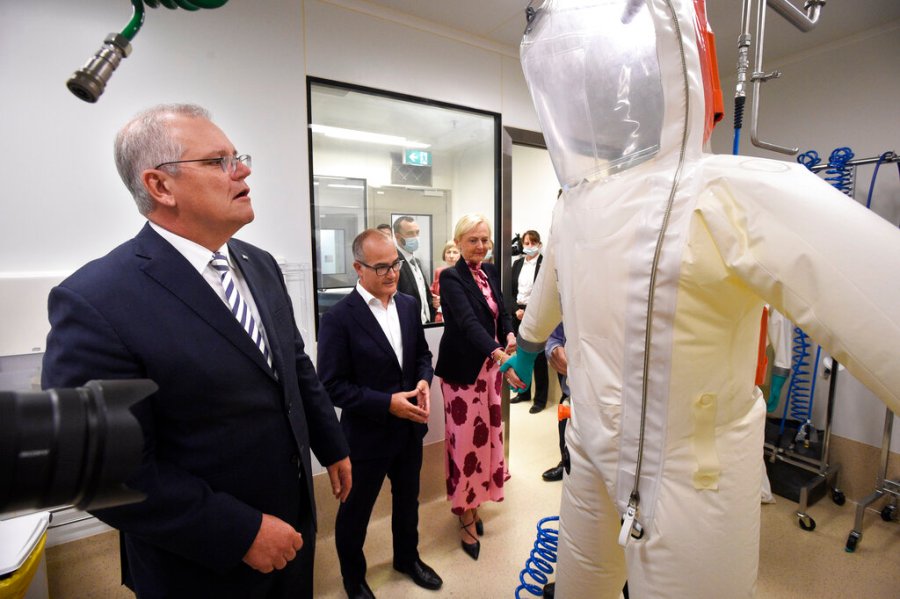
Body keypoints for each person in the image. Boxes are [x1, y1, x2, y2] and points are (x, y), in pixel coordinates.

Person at [507, 2, 900, 597]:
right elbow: (552, 286)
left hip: (694, 474)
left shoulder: (723, 194)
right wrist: (531, 346)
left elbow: (875, 297)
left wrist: (533, 346)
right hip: (589, 442)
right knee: (579, 585)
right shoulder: (575, 205)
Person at [41, 104, 352, 599]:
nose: (243, 170)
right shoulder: (96, 299)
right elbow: (99, 470)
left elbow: (292, 365)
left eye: (239, 157)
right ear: (160, 186)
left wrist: (331, 443)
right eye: (218, 161)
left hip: (292, 526)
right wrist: (239, 531)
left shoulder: (259, 263)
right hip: (199, 562)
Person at [317, 229, 442, 599]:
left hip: (409, 432)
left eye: (396, 264)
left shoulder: (406, 304)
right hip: (366, 437)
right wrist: (386, 403)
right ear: (358, 268)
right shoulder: (339, 318)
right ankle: (353, 579)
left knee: (407, 501)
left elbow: (422, 355)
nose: (392, 273)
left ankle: (407, 558)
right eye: (382, 267)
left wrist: (423, 382)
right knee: (355, 513)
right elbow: (332, 385)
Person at [434, 213, 522, 561]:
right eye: (473, 240)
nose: (481, 246)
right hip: (463, 374)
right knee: (466, 445)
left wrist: (510, 332)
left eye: (485, 240)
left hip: (489, 371)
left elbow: (503, 309)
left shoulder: (491, 272)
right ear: (458, 243)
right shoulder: (451, 279)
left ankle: (476, 502)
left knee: (487, 441)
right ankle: (465, 515)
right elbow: (469, 324)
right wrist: (500, 353)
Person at [508, 230, 549, 413]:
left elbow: (546, 292)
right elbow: (509, 290)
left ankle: (540, 399)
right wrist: (514, 310)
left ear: (539, 244)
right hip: (517, 311)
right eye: (526, 243)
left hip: (536, 314)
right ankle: (523, 392)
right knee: (521, 355)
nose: (529, 246)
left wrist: (531, 312)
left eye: (533, 242)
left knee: (538, 358)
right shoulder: (517, 264)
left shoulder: (544, 264)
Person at [393, 216, 434, 323]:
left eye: (417, 232)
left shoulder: (416, 262)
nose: (416, 237)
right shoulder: (394, 264)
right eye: (410, 234)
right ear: (397, 237)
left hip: (426, 324)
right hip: (408, 325)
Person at [542, 323, 569, 482]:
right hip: (571, 387)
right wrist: (554, 348)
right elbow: (555, 335)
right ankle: (565, 463)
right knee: (565, 418)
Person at [430, 240, 460, 323]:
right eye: (448, 252)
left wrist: (443, 301)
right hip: (440, 317)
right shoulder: (439, 271)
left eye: (455, 252)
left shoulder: (466, 274)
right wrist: (433, 299)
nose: (451, 256)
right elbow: (431, 292)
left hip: (457, 318)